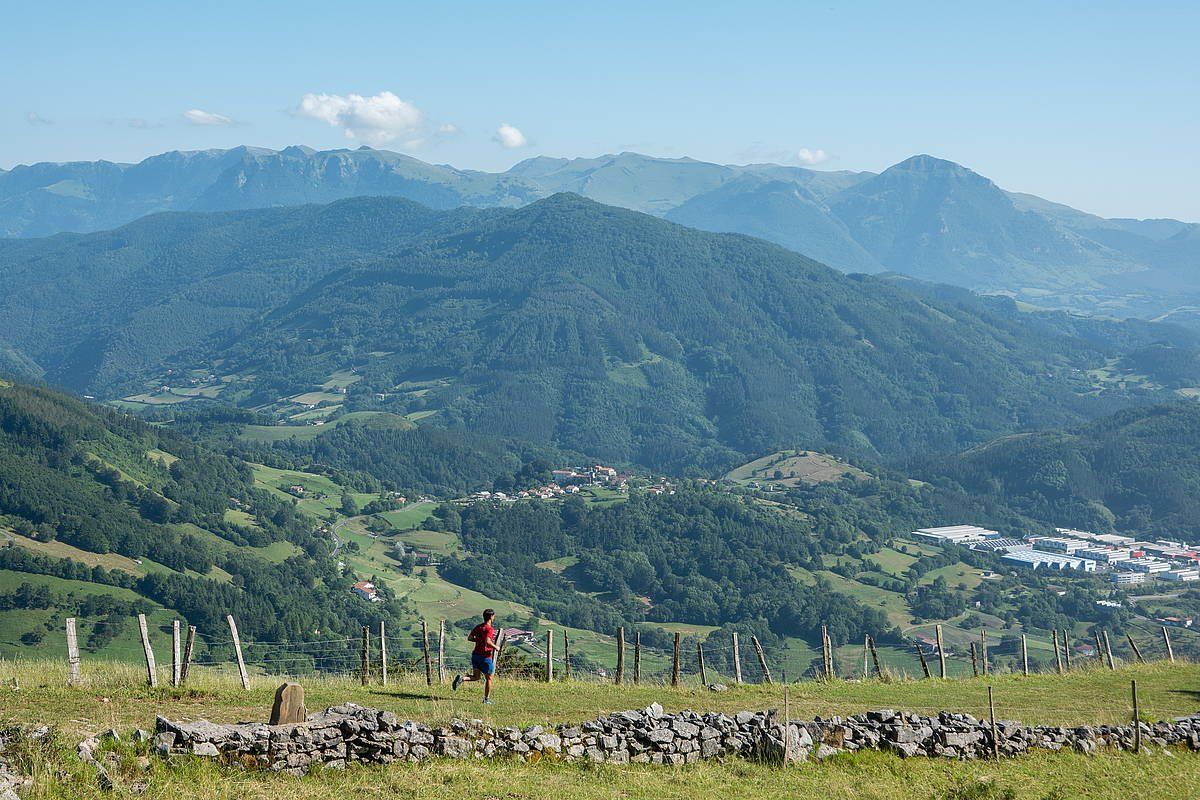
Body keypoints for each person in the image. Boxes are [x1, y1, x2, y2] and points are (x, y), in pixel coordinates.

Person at [453, 608, 498, 704]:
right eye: (493, 616)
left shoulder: (478, 627)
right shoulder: (489, 629)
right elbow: (488, 641)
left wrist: (478, 640)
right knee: (489, 678)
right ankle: (486, 699)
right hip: (485, 657)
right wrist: (496, 647)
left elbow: (470, 638)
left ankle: (462, 678)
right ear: (491, 617)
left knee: (476, 676)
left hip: (475, 655)